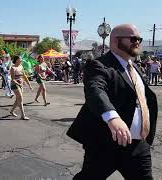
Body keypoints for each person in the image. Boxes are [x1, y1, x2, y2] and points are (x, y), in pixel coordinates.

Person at [67, 24, 158, 179]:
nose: (137, 42)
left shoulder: (134, 67)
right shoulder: (99, 65)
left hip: (137, 146)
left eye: (139, 39)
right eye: (133, 38)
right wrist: (113, 117)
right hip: (105, 144)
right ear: (116, 40)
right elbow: (96, 90)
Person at [9, 55, 33, 120]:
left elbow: (24, 76)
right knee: (20, 98)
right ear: (16, 60)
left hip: (20, 84)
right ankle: (23, 115)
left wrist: (29, 85)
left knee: (18, 99)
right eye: (20, 59)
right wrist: (18, 83)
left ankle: (11, 111)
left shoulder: (21, 66)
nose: (21, 60)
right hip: (14, 85)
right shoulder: (13, 68)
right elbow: (13, 79)